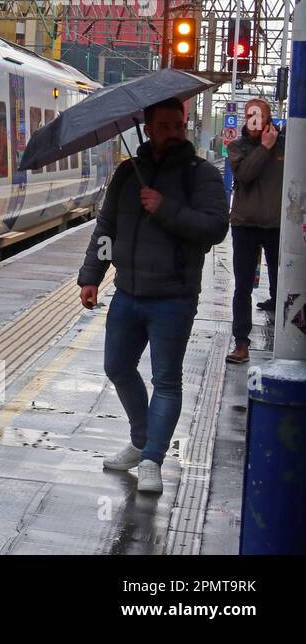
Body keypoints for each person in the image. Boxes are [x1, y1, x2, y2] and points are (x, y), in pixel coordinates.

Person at [77, 97, 229, 495]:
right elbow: (106, 229)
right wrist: (92, 276)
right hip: (127, 292)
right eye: (164, 126)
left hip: (173, 297)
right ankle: (143, 439)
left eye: (178, 126)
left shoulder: (202, 176)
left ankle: (152, 460)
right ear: (148, 129)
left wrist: (165, 208)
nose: (173, 133)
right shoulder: (129, 174)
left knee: (166, 380)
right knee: (117, 367)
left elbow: (215, 229)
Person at [224, 98, 285, 364]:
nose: (254, 119)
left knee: (284, 282)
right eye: (250, 114)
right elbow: (246, 175)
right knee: (243, 286)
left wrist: (273, 144)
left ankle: (288, 337)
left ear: (269, 117)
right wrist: (264, 147)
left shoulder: (286, 146)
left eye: (259, 114)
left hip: (277, 224)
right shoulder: (237, 147)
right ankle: (241, 342)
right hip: (245, 225)